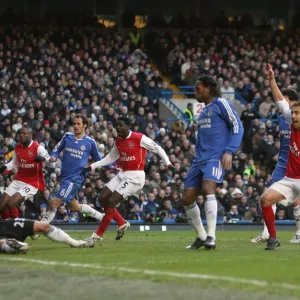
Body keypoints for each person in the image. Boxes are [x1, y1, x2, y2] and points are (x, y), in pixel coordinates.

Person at [82, 116, 175, 243]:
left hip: (135, 177)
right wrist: (92, 166)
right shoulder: (118, 140)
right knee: (102, 198)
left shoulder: (139, 137)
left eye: (120, 125)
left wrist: (168, 163)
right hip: (123, 174)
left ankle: (98, 234)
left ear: (127, 126)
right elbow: (111, 157)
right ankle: (121, 222)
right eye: (116, 126)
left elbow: (157, 148)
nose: (117, 128)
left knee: (112, 201)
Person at [183, 75, 243, 250]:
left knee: (209, 188)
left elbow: (238, 126)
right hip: (199, 159)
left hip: (215, 157)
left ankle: (211, 237)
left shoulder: (221, 104)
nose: (196, 92)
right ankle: (201, 236)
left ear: (208, 88)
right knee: (187, 199)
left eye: (198, 88)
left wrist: (229, 151)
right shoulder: (203, 111)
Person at [251, 69, 300, 243]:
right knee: (268, 197)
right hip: (285, 163)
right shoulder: (284, 118)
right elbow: (279, 100)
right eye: (290, 111)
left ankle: (299, 232)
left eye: (291, 107)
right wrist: (272, 80)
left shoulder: (292, 115)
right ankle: (268, 233)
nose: (290, 112)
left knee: (296, 200)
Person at [40, 114, 104, 225]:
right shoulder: (67, 136)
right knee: (74, 207)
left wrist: (111, 165)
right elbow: (57, 148)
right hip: (64, 177)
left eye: (78, 124)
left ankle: (39, 227)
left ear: (85, 126)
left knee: (54, 202)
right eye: (74, 123)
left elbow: (99, 160)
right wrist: (54, 156)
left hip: (75, 178)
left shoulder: (90, 142)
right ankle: (102, 217)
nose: (75, 126)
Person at [0, 126, 52, 212]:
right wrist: (5, 167)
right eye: (20, 133)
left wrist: (43, 159)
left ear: (30, 135)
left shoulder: (38, 148)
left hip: (31, 183)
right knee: (1, 204)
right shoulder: (17, 146)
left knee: (10, 203)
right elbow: (13, 163)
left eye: (24, 133)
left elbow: (51, 162)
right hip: (18, 180)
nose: (21, 135)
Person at [0, 218, 94, 254]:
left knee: (44, 226)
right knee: (4, 243)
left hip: (4, 223)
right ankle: (12, 245)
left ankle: (75, 243)